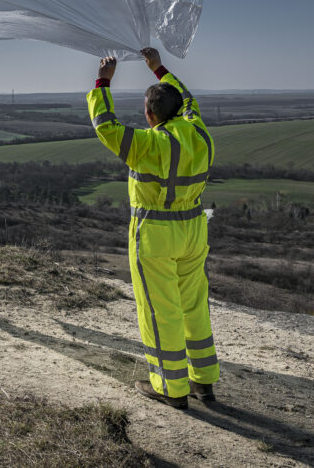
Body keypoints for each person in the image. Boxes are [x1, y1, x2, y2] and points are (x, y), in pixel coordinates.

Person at [87, 47, 219, 409]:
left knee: (160, 311)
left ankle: (170, 388)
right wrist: (159, 68)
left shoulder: (146, 144)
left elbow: (105, 126)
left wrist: (103, 82)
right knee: (194, 305)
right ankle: (203, 381)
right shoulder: (199, 131)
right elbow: (188, 98)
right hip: (194, 230)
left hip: (156, 236)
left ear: (149, 115)